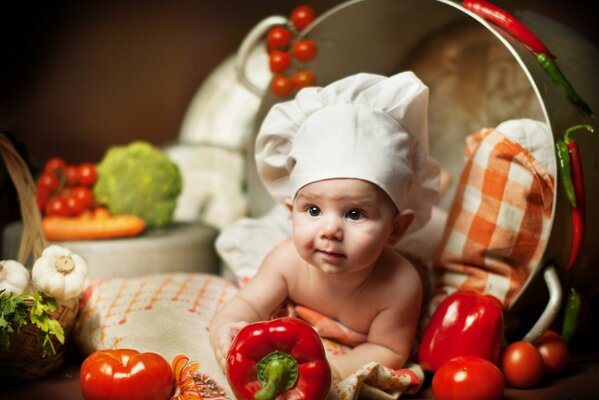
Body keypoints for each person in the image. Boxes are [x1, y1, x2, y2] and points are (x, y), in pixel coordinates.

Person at [209, 71, 440, 382]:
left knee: (438, 232)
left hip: (416, 258)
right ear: (291, 212)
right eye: (313, 210)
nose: (330, 230)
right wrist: (228, 326)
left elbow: (388, 348)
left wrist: (336, 371)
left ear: (395, 229)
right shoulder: (286, 261)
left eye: (356, 214)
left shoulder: (399, 286)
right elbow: (248, 303)